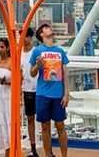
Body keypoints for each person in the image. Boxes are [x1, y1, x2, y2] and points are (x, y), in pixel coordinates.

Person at [28, 24, 69, 157]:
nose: (49, 28)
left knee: (60, 125)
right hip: (42, 94)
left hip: (58, 95)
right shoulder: (37, 51)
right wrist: (37, 65)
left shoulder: (60, 51)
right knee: (45, 126)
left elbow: (65, 74)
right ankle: (48, 154)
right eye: (46, 28)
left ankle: (64, 155)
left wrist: (66, 93)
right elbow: (32, 73)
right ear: (41, 34)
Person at [20, 30, 39, 157]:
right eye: (22, 35)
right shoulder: (18, 53)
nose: (24, 38)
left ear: (31, 37)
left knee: (44, 119)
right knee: (30, 118)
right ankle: (33, 148)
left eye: (26, 35)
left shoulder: (36, 52)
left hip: (40, 89)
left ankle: (47, 148)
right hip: (26, 90)